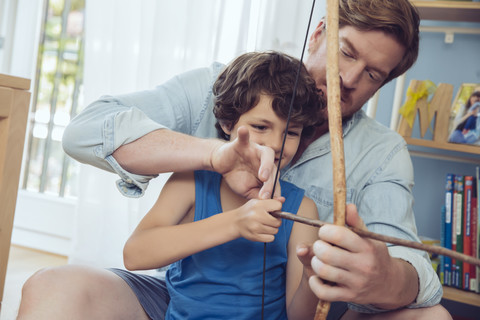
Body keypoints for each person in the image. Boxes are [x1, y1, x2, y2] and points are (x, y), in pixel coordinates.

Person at [18, 0, 451, 319]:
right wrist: (214, 156)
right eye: (347, 52)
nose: (349, 80)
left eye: (373, 74)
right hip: (182, 303)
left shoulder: (380, 155)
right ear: (318, 34)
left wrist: (383, 276)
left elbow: (410, 269)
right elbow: (86, 131)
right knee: (51, 286)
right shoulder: (226, 87)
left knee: (433, 318)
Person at [117, 51, 323, 319]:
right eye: (261, 126)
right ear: (228, 123)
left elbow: (299, 317)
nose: (274, 143)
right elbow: (135, 255)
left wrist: (311, 279)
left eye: (291, 132)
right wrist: (236, 223)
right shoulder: (192, 180)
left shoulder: (303, 210)